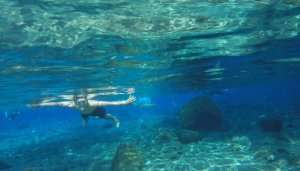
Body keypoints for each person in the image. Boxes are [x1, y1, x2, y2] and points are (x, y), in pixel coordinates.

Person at [29, 88, 136, 128]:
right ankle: (86, 123)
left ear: (86, 98)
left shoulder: (93, 103)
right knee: (84, 119)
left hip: (96, 110)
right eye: (78, 99)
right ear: (74, 100)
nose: (80, 101)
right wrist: (38, 104)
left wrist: (124, 102)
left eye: (82, 99)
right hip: (85, 113)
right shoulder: (71, 104)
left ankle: (116, 120)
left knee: (107, 116)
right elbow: (53, 104)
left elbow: (111, 103)